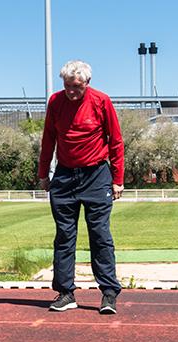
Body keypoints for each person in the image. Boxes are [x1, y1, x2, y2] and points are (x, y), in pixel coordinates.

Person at [38, 60, 125, 315]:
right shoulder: (56, 102)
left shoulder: (101, 101)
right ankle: (65, 293)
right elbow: (48, 140)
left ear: (87, 83)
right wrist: (43, 174)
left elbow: (115, 141)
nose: (71, 91)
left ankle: (109, 293)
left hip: (96, 175)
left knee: (100, 235)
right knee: (64, 236)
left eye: (76, 86)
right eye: (67, 86)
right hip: (64, 176)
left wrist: (117, 179)